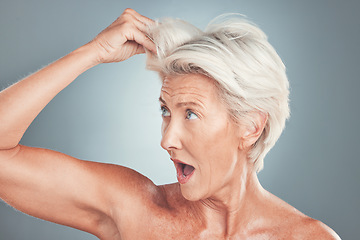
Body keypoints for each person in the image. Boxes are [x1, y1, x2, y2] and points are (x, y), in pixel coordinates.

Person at [0, 8, 340, 240]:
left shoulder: (309, 237)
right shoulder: (136, 209)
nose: (167, 139)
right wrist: (93, 51)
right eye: (166, 110)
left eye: (190, 113)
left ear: (250, 126)